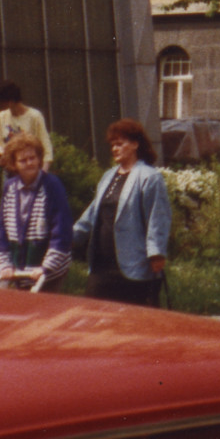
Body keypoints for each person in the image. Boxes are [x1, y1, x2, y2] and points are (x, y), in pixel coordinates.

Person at [72, 120, 172, 306]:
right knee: (93, 316)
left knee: (133, 324)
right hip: (102, 265)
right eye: (112, 145)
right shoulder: (108, 176)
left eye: (120, 144)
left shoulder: (150, 177)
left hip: (135, 266)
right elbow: (93, 213)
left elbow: (158, 217)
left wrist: (156, 253)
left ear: (135, 144)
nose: (114, 149)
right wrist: (69, 237)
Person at [0, 135, 73, 292]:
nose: (29, 163)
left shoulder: (52, 185)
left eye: (32, 158)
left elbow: (62, 229)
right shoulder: (10, 188)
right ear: (14, 164)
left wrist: (46, 267)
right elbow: (3, 230)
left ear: (39, 159)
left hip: (48, 270)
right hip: (20, 269)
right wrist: (5, 264)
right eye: (23, 160)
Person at [0, 81, 53, 168]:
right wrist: (2, 153)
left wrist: (43, 173)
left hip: (31, 168)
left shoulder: (35, 116)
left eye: (0, 103)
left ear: (10, 101)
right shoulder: (1, 117)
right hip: (10, 170)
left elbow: (46, 148)